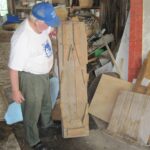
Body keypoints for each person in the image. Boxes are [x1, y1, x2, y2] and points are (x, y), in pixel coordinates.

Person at [8, 2, 60, 150]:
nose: (49, 26)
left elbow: (49, 29)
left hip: (43, 74)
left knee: (45, 101)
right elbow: (13, 68)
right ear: (37, 22)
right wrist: (16, 91)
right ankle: (33, 140)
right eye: (47, 24)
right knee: (31, 108)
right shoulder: (22, 39)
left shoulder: (41, 25)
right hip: (31, 78)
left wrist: (52, 31)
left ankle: (47, 124)